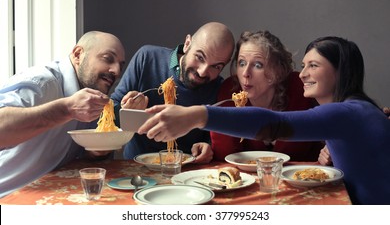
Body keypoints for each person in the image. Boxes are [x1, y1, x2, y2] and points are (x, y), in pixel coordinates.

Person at [138, 36, 390, 205]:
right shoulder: (359, 110)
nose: (302, 74)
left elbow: (274, 123)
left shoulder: (347, 113)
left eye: (313, 65)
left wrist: (196, 115)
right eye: (303, 65)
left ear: (340, 72)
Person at [0, 31, 126, 198]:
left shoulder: (92, 97)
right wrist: (66, 109)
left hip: (48, 195)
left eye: (120, 65)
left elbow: (78, 156)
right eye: (108, 58)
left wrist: (94, 152)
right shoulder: (42, 83)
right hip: (7, 197)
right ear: (78, 54)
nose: (116, 71)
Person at [111, 22, 235, 162]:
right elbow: (110, 113)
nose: (202, 71)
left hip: (186, 171)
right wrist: (126, 109)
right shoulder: (147, 58)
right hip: (136, 169)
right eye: (200, 57)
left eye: (216, 67)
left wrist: (208, 146)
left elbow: (214, 136)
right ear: (187, 43)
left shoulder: (219, 87)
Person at [210, 30, 324, 162]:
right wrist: (218, 119)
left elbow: (326, 127)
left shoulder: (300, 87)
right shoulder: (230, 90)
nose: (245, 73)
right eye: (241, 63)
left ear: (278, 71)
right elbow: (223, 155)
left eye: (258, 65)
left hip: (305, 177)